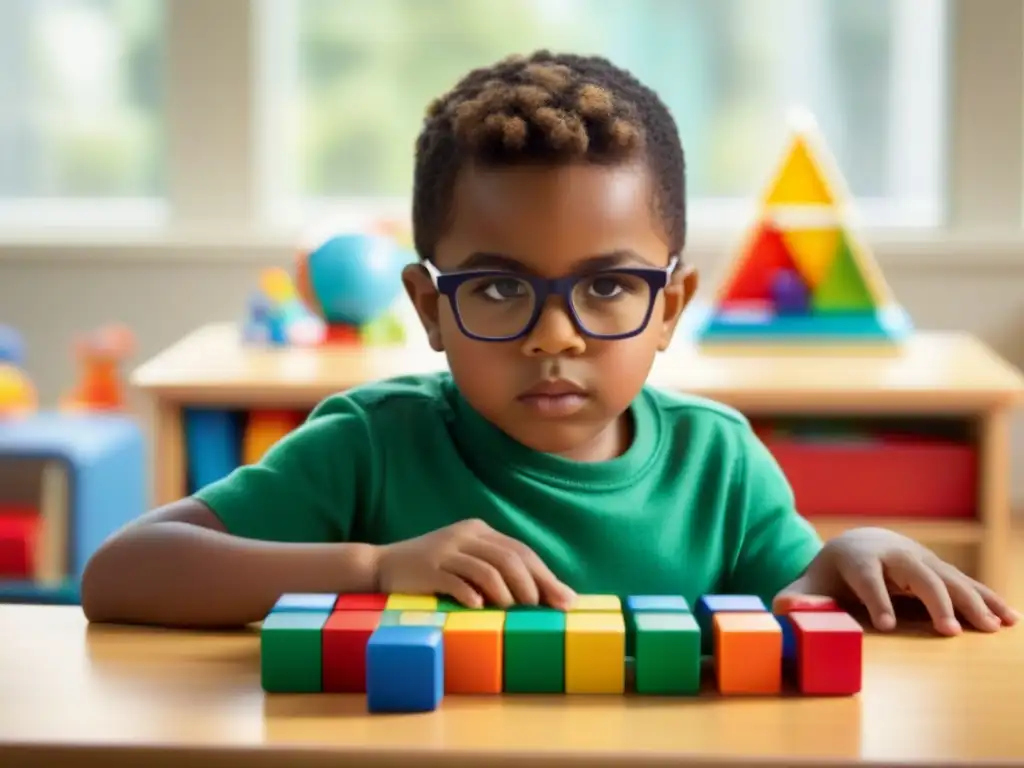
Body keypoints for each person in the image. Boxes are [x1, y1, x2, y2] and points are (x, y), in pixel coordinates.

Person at [81, 51, 1017, 636]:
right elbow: (122, 573)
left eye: (610, 287)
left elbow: (793, 608)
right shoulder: (369, 445)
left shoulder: (720, 466)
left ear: (672, 306)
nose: (553, 334)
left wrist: (855, 552)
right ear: (429, 307)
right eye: (497, 288)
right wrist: (371, 567)